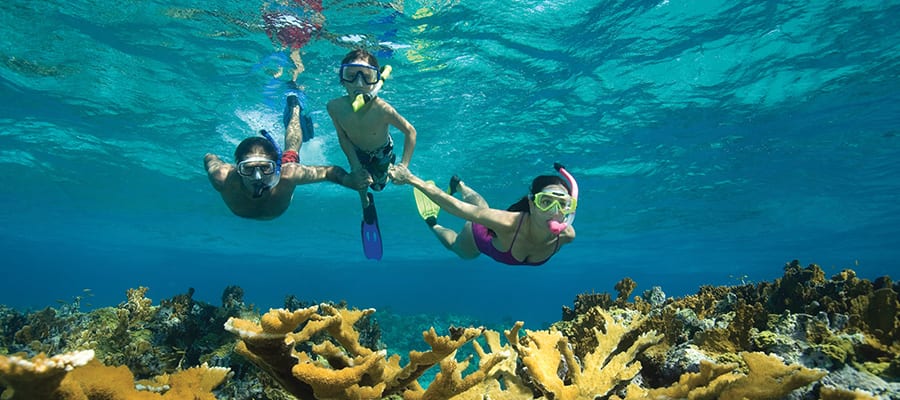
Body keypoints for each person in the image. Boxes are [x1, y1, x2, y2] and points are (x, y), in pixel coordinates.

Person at [205, 94, 370, 220]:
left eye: (265, 168)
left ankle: (295, 107)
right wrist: (216, 162)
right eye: (248, 169)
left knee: (291, 152)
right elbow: (209, 157)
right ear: (238, 168)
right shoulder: (222, 177)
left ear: (276, 166)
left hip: (284, 168)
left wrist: (348, 180)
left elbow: (329, 171)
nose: (257, 176)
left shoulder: (288, 174)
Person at [388, 164, 576, 266]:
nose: (554, 211)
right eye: (546, 202)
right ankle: (433, 223)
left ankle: (460, 186)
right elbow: (457, 208)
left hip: (492, 225)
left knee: (482, 207)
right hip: (478, 235)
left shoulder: (567, 236)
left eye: (562, 204)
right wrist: (411, 179)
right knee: (460, 250)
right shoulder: (509, 224)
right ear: (532, 204)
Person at [327, 49, 417, 220]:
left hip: (382, 150)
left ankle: (388, 166)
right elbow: (343, 137)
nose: (359, 83)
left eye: (367, 76)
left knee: (378, 186)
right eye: (351, 75)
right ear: (342, 79)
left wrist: (404, 166)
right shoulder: (334, 107)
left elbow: (410, 131)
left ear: (375, 81)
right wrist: (354, 164)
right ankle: (365, 202)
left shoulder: (383, 109)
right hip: (356, 149)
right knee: (360, 181)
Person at [262, 0, 325, 84]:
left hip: (285, 25)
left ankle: (288, 72)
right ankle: (292, 74)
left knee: (285, 47)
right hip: (296, 28)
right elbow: (319, 18)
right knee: (291, 49)